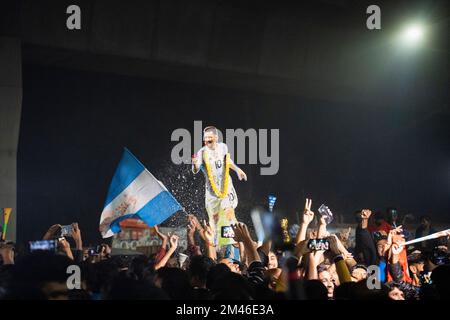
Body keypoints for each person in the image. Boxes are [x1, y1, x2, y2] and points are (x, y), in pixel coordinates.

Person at [192, 126, 247, 248]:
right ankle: (216, 242)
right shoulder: (202, 152)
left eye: (209, 139)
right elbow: (195, 170)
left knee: (228, 210)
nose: (206, 142)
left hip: (226, 186)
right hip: (211, 191)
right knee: (214, 218)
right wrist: (195, 164)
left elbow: (228, 161)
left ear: (216, 137)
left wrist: (238, 170)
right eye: (205, 139)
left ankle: (237, 239)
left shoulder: (223, 147)